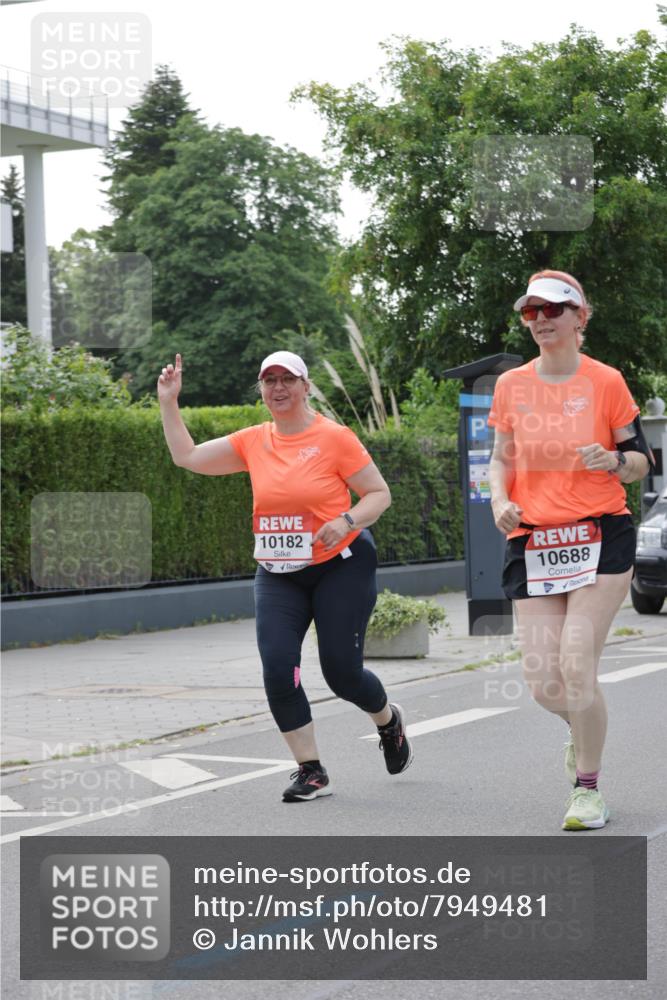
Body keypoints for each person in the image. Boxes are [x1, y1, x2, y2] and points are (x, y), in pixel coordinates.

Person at [158, 349, 413, 802]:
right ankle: (310, 770)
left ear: (305, 386)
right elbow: (188, 456)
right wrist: (168, 402)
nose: (278, 388)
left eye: (288, 379)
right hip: (278, 571)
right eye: (269, 380)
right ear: (261, 388)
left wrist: (347, 521)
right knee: (278, 668)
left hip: (340, 565)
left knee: (342, 675)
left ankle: (388, 721)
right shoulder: (253, 441)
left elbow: (379, 494)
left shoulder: (334, 437)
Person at [488, 270, 651, 831]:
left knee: (577, 666)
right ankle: (580, 730)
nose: (541, 320)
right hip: (534, 539)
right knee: (545, 685)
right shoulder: (511, 385)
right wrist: (499, 500)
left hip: (600, 535)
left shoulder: (606, 381)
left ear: (580, 317)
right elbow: (501, 458)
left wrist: (614, 461)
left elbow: (642, 461)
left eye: (553, 310)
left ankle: (588, 790)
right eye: (531, 311)